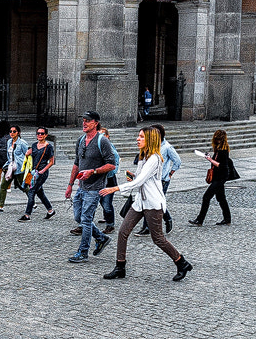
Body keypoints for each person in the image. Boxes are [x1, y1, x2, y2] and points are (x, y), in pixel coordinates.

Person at [104, 126, 192, 282]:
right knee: (122, 232)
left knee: (158, 238)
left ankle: (181, 262)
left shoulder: (154, 158)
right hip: (140, 202)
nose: (138, 139)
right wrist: (133, 176)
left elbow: (140, 181)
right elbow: (140, 178)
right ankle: (120, 267)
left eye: (141, 137)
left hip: (152, 203)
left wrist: (115, 188)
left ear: (150, 140)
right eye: (138, 136)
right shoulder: (144, 157)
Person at [66, 111, 118, 260]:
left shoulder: (103, 141)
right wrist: (70, 185)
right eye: (83, 120)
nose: (84, 123)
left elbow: (111, 165)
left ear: (95, 123)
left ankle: (83, 252)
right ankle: (101, 238)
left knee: (86, 220)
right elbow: (76, 164)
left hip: (95, 188)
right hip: (81, 187)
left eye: (87, 121)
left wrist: (93, 171)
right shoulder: (81, 140)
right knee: (79, 217)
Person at [194, 129, 237, 225]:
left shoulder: (224, 151)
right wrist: (210, 157)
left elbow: (221, 165)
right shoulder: (218, 149)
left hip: (221, 177)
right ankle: (227, 219)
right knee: (221, 198)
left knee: (206, 197)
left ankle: (200, 220)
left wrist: (210, 160)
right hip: (218, 177)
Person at [19, 127, 57, 219]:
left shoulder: (48, 147)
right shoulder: (34, 145)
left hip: (41, 173)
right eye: (38, 133)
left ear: (46, 135)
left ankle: (27, 214)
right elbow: (30, 156)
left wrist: (43, 170)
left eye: (42, 133)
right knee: (40, 192)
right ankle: (50, 210)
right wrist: (27, 154)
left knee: (32, 191)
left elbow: (52, 161)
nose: (40, 135)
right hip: (33, 172)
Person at [154, 124, 182, 234]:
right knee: (150, 201)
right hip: (152, 179)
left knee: (158, 202)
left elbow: (177, 161)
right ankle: (147, 227)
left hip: (162, 179)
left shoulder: (167, 147)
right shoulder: (152, 145)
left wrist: (170, 174)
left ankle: (167, 219)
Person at [0, 124, 24, 211]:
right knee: (3, 186)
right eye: (10, 131)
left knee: (23, 186)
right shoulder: (9, 142)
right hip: (10, 166)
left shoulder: (22, 143)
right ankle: (0, 206)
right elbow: (8, 154)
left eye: (14, 131)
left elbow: (27, 154)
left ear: (18, 133)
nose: (12, 133)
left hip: (18, 166)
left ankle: (32, 202)